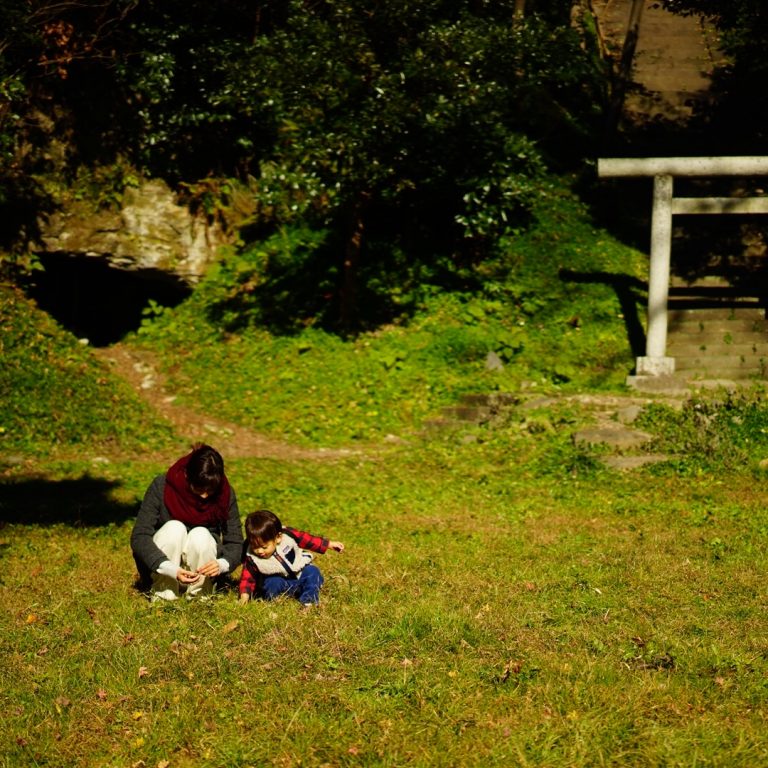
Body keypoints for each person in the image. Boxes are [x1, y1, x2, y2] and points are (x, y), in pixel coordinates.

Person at [130, 443, 244, 601]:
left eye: (210, 490)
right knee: (174, 528)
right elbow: (140, 536)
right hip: (164, 568)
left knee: (201, 534)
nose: (204, 496)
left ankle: (200, 596)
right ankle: (163, 595)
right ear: (187, 476)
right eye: (199, 489)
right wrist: (168, 568)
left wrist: (222, 563)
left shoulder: (225, 494)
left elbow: (236, 542)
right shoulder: (162, 486)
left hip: (203, 570)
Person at [238, 509, 344, 608]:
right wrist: (244, 596)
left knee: (313, 572)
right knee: (272, 583)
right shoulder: (252, 557)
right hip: (280, 582)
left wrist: (328, 544)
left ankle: (309, 601)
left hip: (299, 576)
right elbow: (247, 577)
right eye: (255, 546)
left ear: (278, 538)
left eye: (264, 547)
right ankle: (274, 602)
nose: (259, 551)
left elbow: (307, 539)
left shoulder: (288, 536)